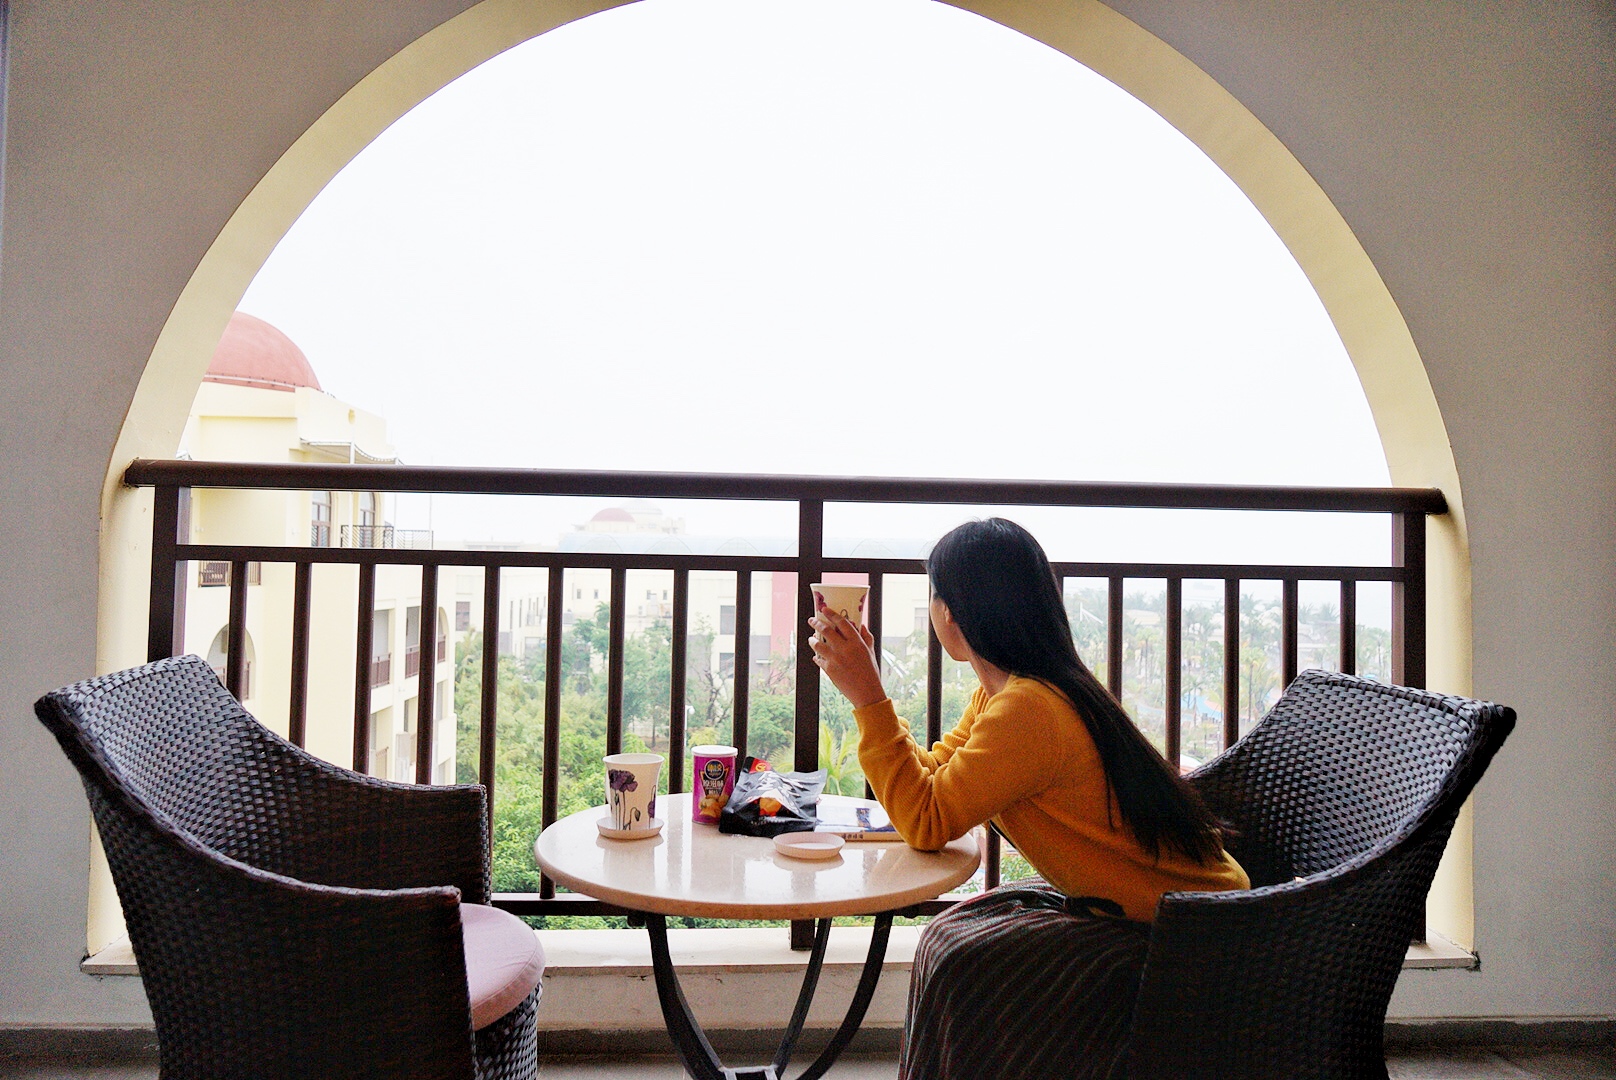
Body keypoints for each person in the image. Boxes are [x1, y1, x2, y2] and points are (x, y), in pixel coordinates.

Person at [809, 518, 1249, 1080]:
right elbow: (937, 779)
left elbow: (926, 819)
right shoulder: (1013, 692)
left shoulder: (1029, 710)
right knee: (950, 940)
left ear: (950, 613)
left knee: (961, 960)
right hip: (1153, 905)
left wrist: (868, 696)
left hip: (1188, 932)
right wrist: (867, 688)